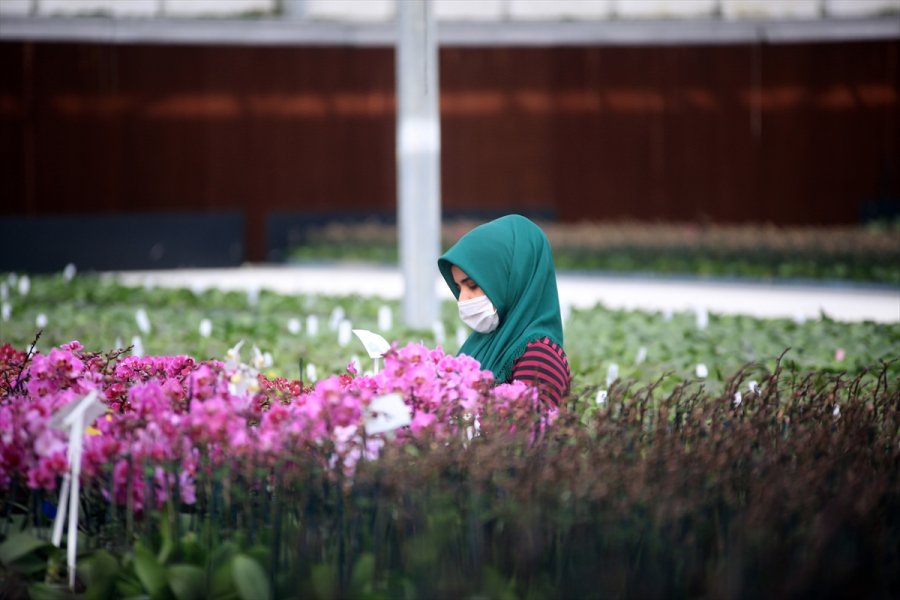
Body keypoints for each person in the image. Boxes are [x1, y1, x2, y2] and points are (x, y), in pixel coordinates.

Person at [438, 214, 571, 407]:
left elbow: (526, 434)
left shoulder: (539, 357)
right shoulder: (484, 342)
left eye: (473, 285)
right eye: (459, 288)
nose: (463, 299)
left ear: (512, 278)